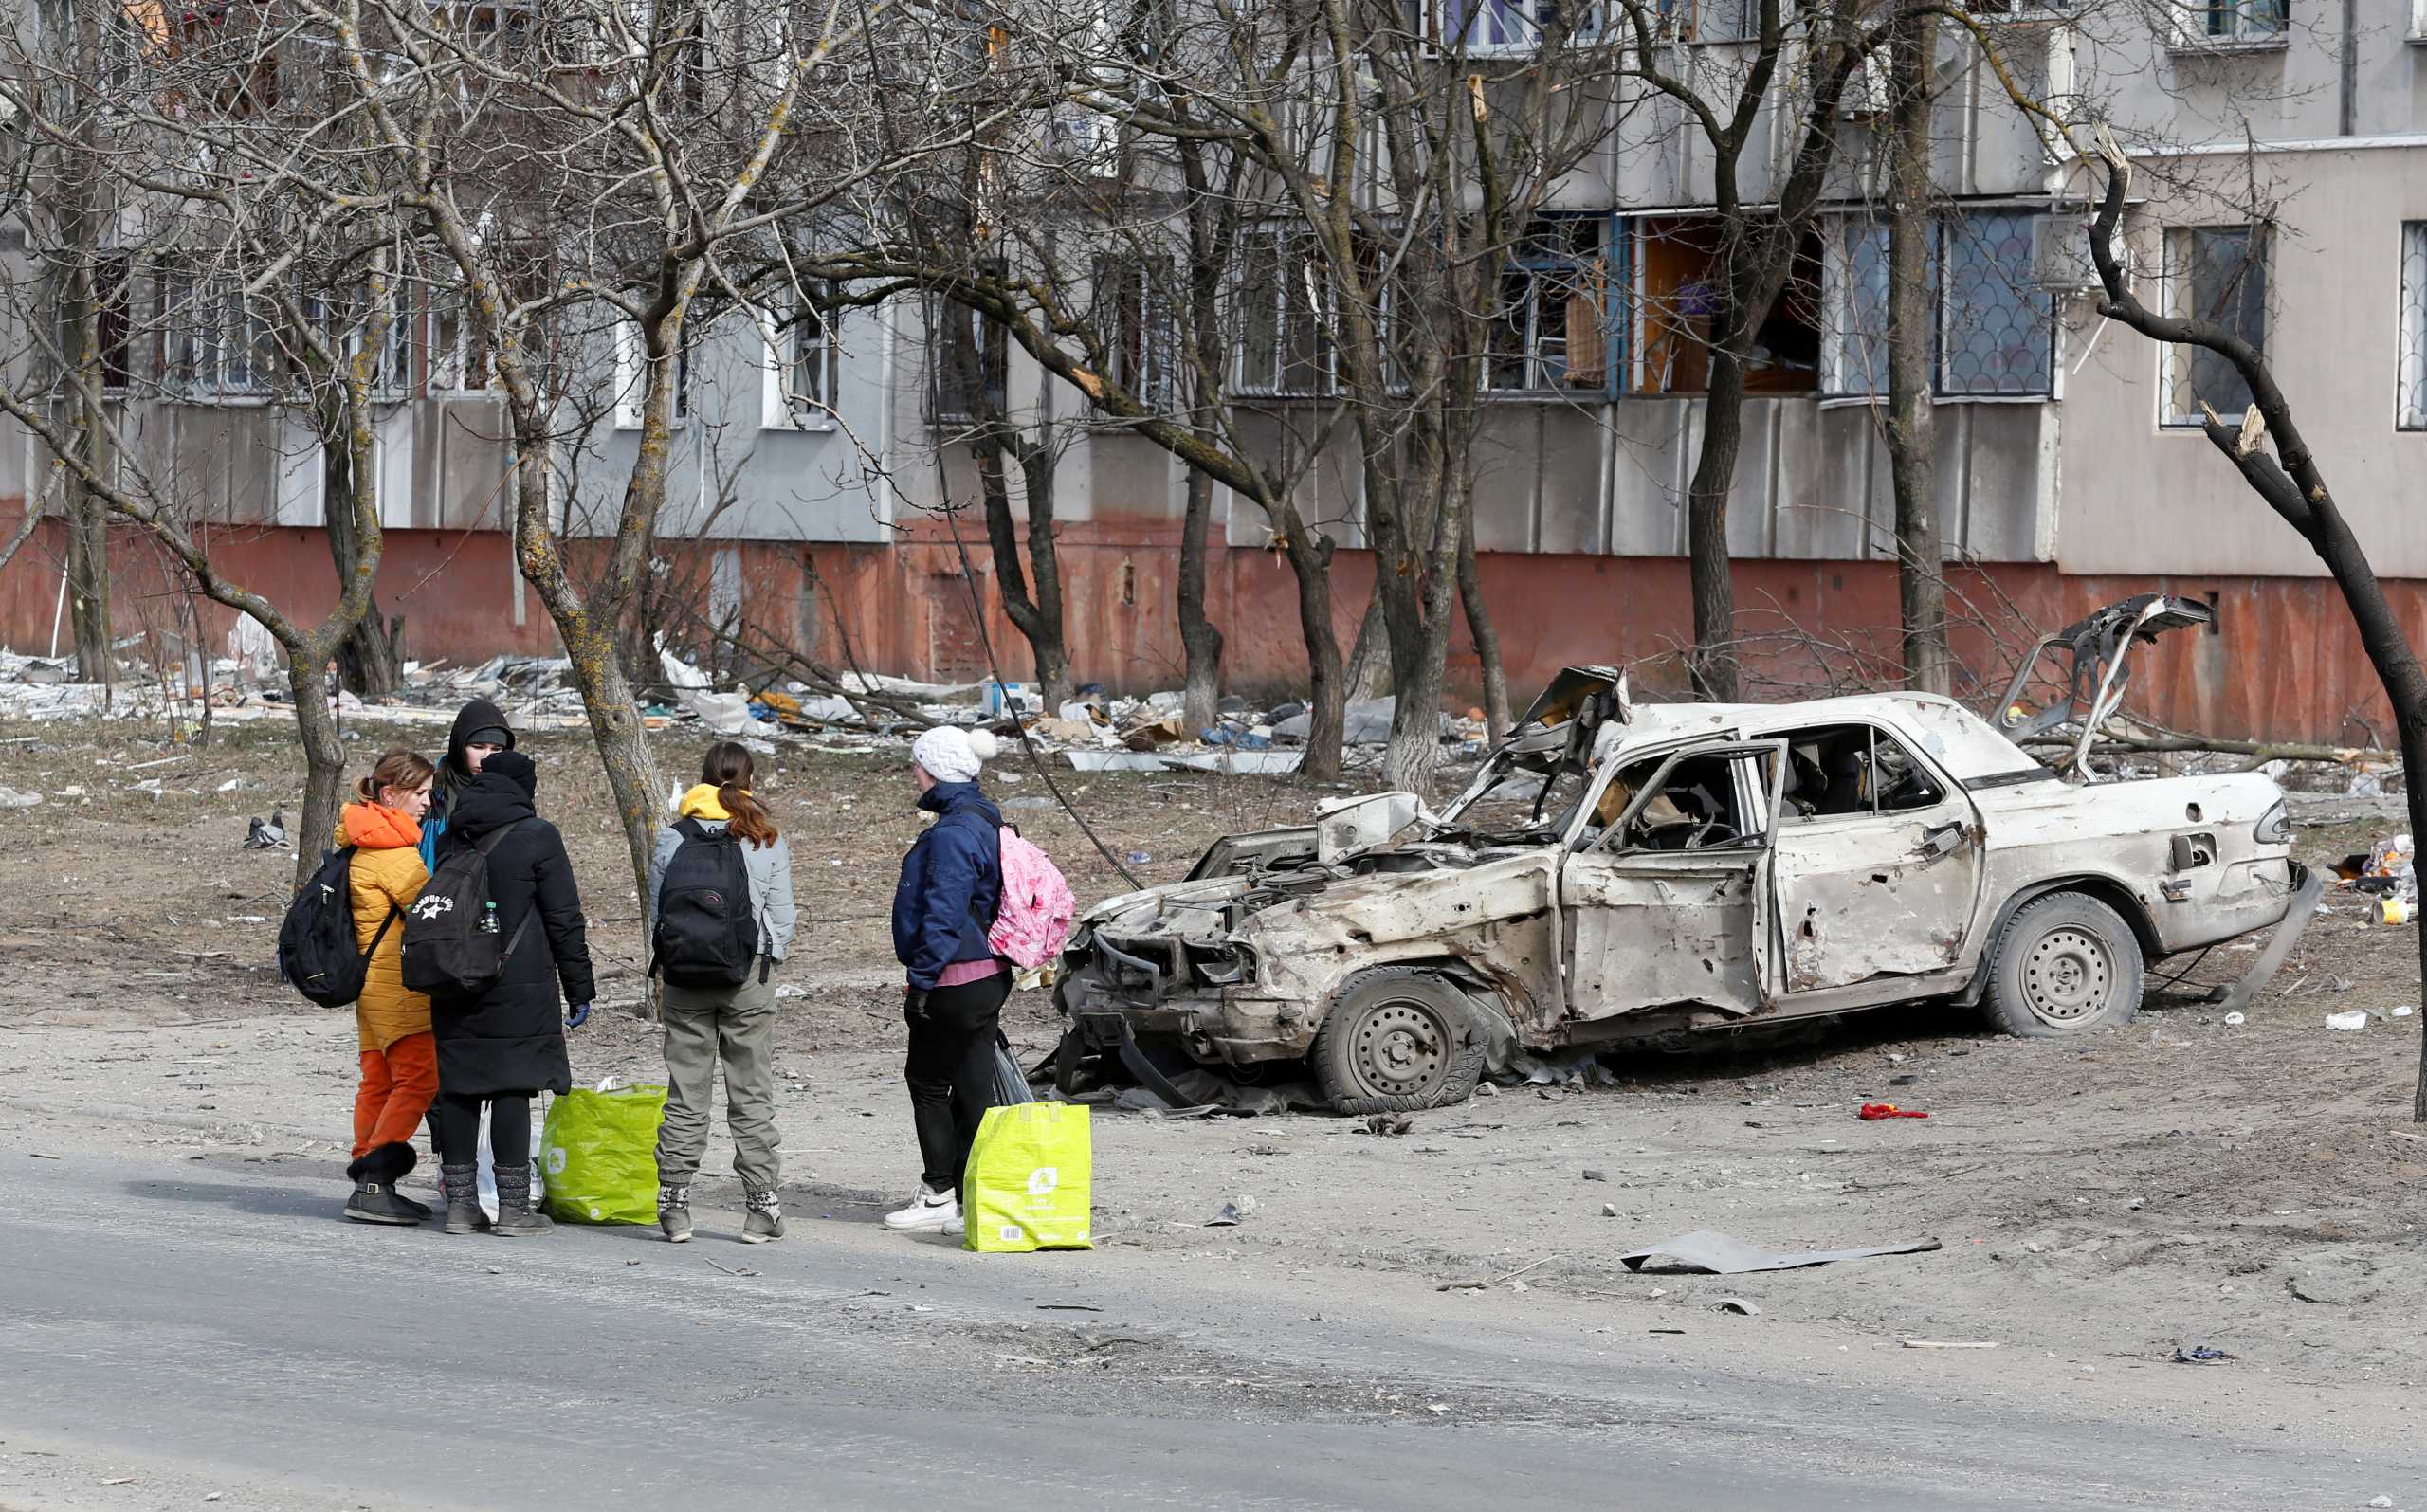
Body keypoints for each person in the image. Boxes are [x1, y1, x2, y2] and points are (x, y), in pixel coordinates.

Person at [428, 749, 593, 1237]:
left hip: (454, 977)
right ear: (525, 787)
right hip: (518, 983)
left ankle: (460, 1208)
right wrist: (579, 988)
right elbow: (565, 919)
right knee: (511, 1088)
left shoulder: (455, 830)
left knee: (459, 1088)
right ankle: (513, 1210)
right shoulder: (538, 835)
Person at [647, 741, 798, 1245]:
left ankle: (674, 1205)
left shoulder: (672, 837)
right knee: (750, 1092)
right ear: (748, 780)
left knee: (686, 1093)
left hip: (685, 979)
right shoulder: (764, 837)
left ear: (704, 780)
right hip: (747, 978)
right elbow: (782, 915)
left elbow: (657, 914)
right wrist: (765, 959)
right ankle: (761, 1208)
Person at [884, 726, 1007, 1236]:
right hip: (986, 974)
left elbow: (944, 912)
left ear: (934, 769)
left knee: (929, 1081)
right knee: (973, 1087)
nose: (914, 773)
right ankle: (970, 1194)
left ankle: (938, 1194)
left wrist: (922, 981)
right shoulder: (982, 817)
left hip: (954, 977)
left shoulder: (952, 833)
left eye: (917, 764)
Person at [340, 749, 440, 1227]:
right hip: (399, 987)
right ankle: (377, 1179)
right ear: (389, 794)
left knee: (378, 1080)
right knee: (419, 1078)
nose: (427, 802)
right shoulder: (393, 853)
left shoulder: (362, 843)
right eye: (419, 793)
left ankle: (367, 1177)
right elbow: (432, 913)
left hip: (371, 986)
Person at [421, 699, 514, 872]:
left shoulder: (513, 791)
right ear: (459, 746)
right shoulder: (432, 786)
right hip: (436, 887)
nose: (486, 757)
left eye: (496, 749)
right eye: (478, 747)